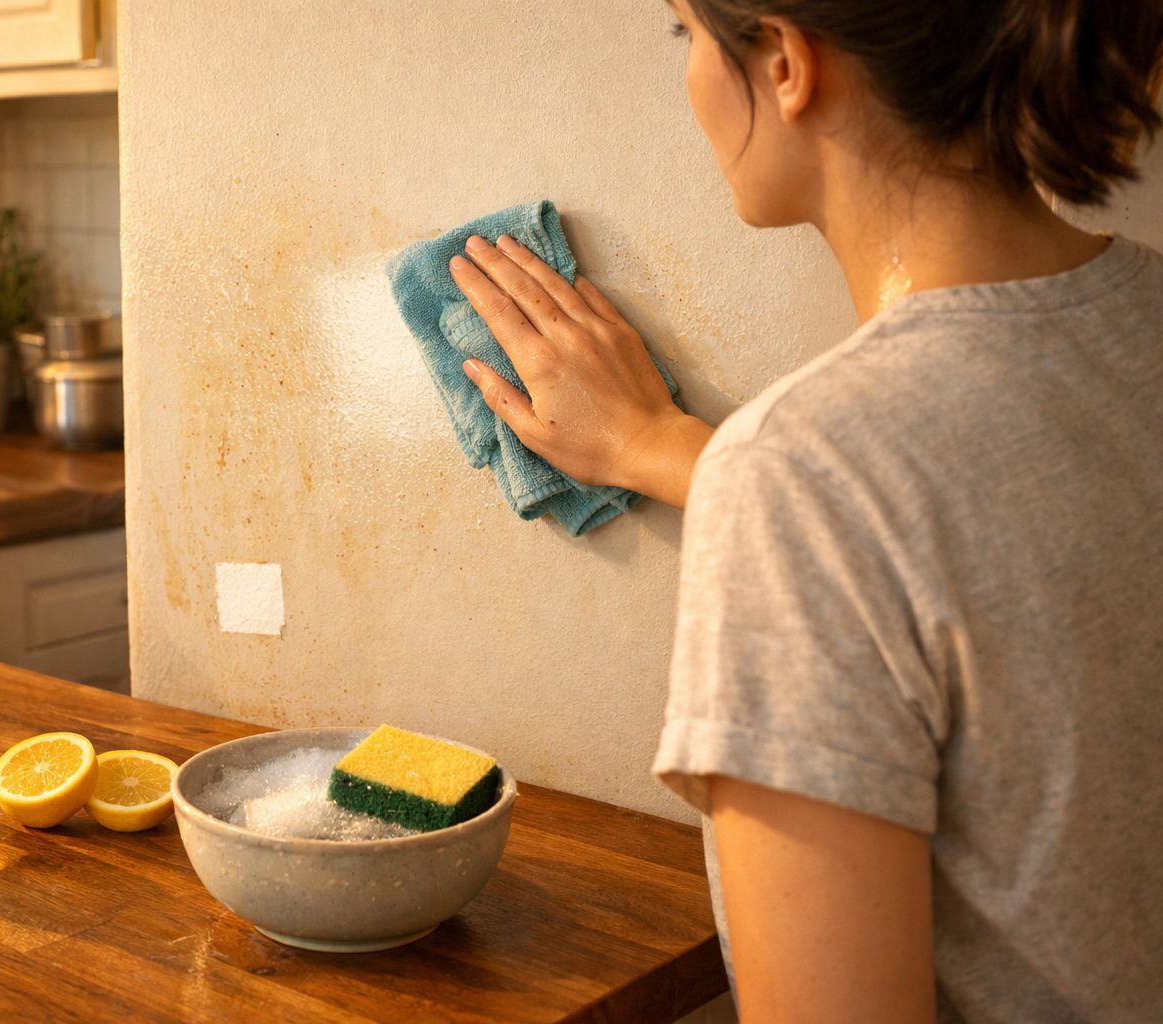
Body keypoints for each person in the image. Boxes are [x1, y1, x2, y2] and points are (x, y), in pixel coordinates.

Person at [449, 1, 1163, 1021]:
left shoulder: (805, 477)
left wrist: (765, 478)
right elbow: (1017, 522)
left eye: (686, 34)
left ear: (786, 62)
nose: (690, 77)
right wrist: (663, 447)